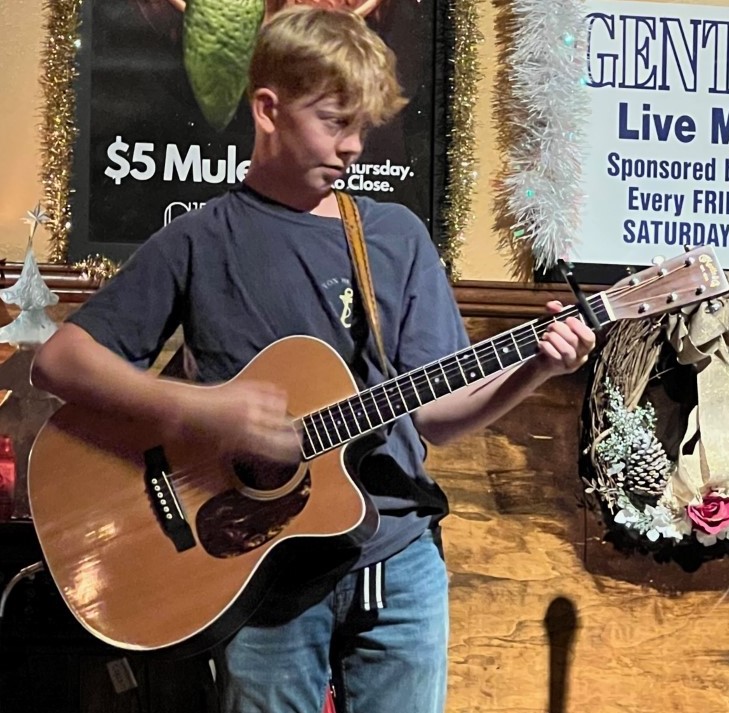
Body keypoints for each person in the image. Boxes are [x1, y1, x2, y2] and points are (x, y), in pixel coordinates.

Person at [31, 7, 596, 713]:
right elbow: (59, 361)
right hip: (252, 559)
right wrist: (205, 407)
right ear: (268, 108)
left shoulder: (394, 237)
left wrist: (536, 367)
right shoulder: (202, 239)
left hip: (396, 554)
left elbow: (437, 421)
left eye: (364, 126)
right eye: (335, 121)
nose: (355, 145)